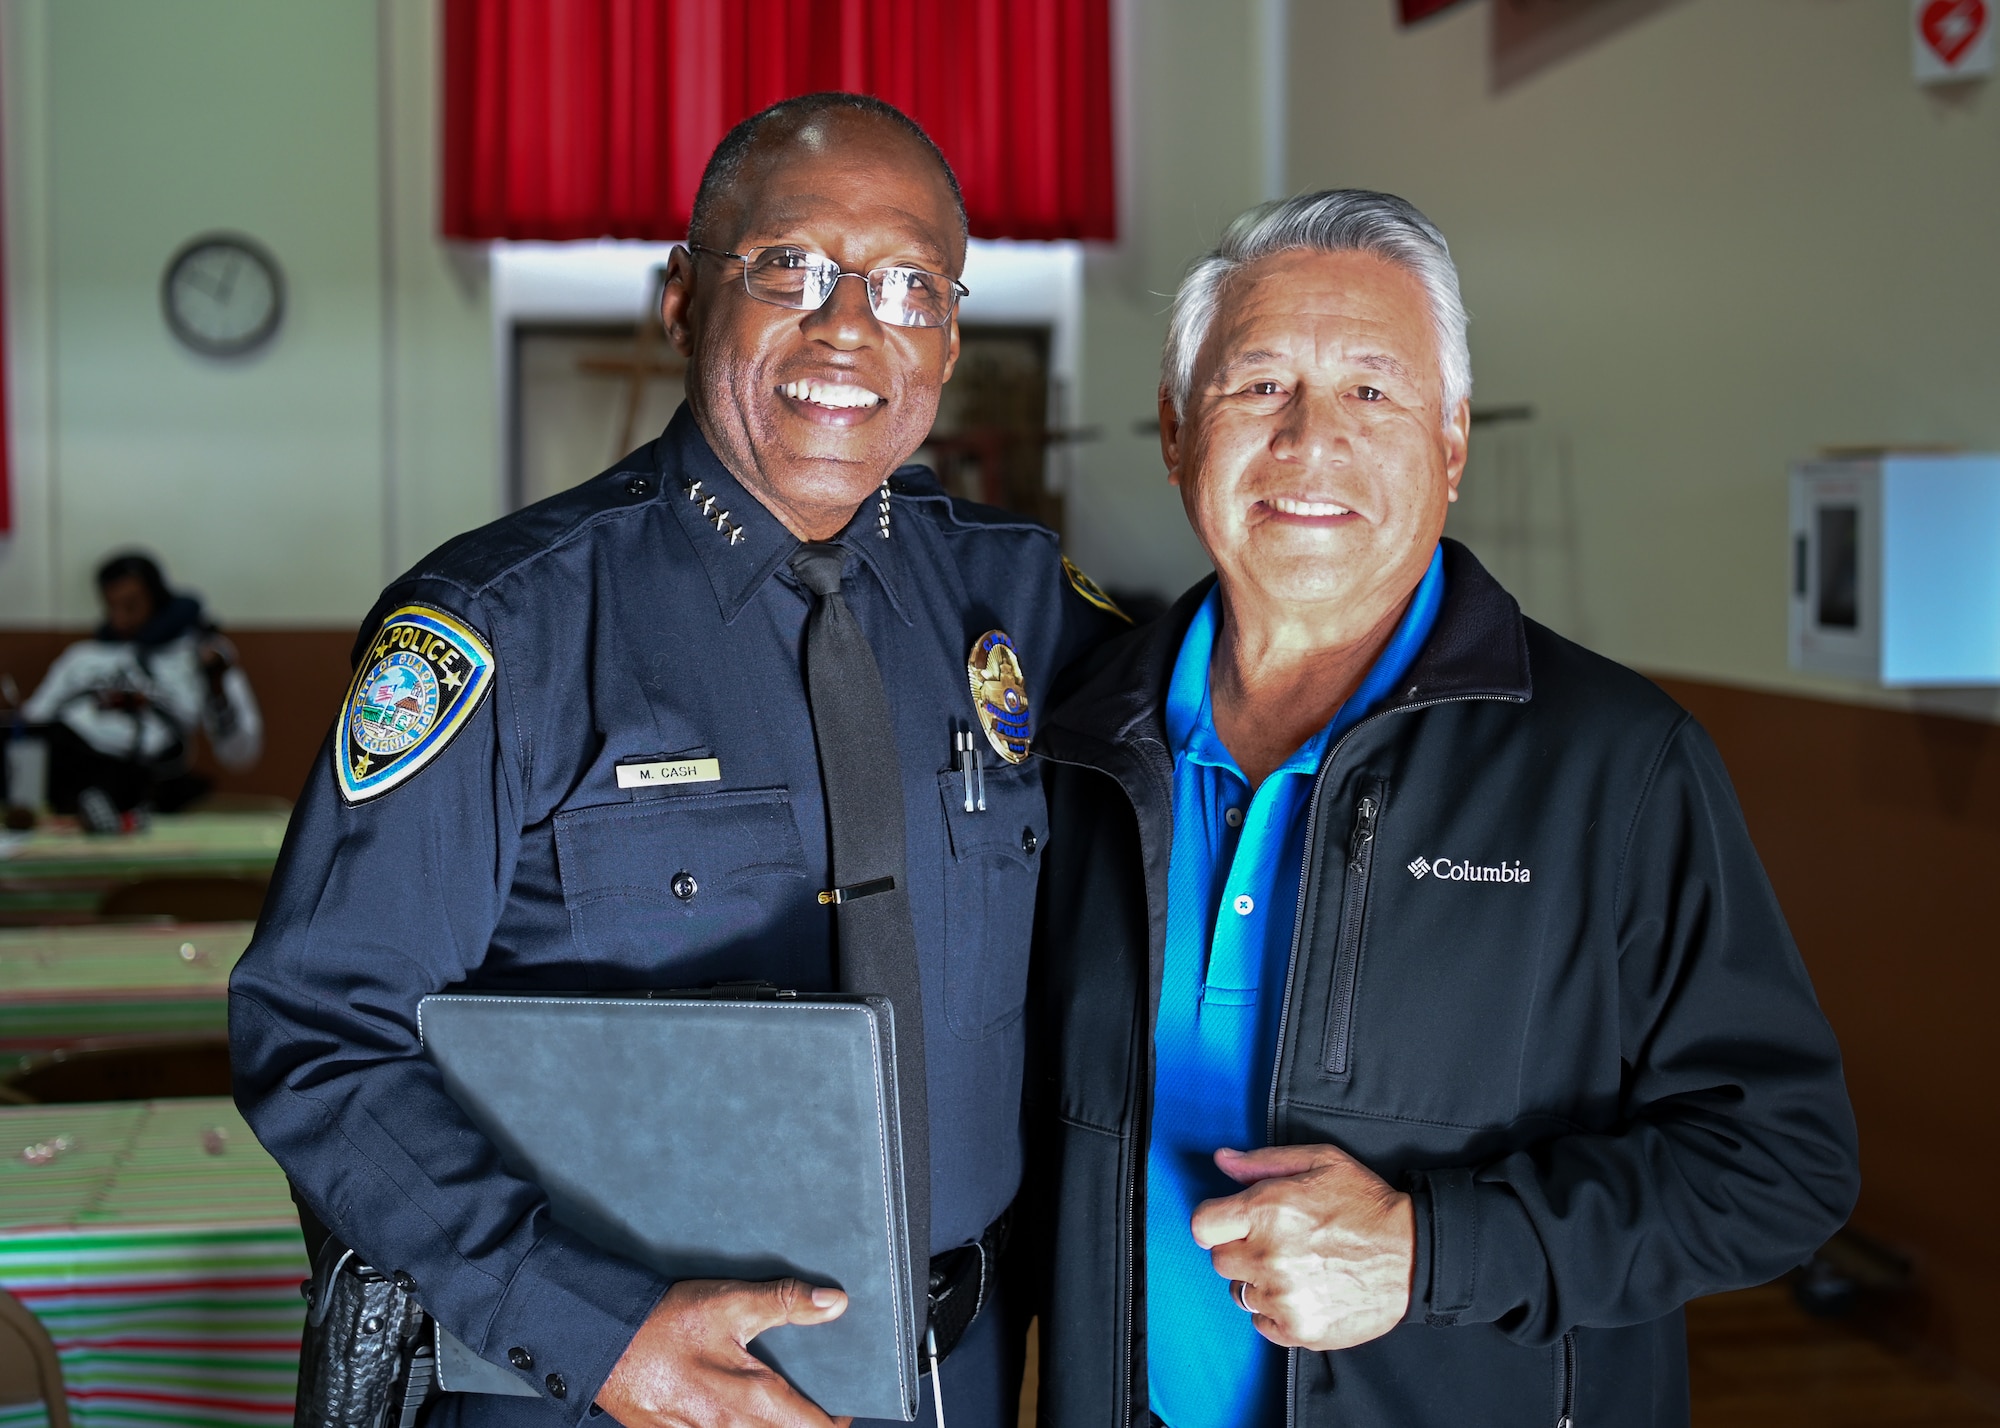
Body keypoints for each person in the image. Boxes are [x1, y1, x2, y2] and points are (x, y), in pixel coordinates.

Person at [229, 93, 1123, 1428]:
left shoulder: (1023, 603)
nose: (847, 326)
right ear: (679, 298)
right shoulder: (503, 629)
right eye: (790, 271)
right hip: (605, 1387)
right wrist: (590, 1333)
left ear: (947, 331)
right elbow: (315, 1031)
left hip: (963, 1370)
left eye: (907, 286)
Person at [1022, 191, 1860, 1427]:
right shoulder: (1078, 745)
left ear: (1453, 445)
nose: (1311, 442)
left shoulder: (1612, 765)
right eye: (1258, 387)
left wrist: (1430, 1251)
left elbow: (1780, 1164)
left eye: (1372, 391)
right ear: (1173, 430)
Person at [13, 551, 261, 814]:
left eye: (131, 606)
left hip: (150, 771)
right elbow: (32, 725)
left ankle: (109, 802)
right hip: (73, 762)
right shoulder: (83, 657)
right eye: (112, 607)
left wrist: (217, 689)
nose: (120, 620)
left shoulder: (200, 655)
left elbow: (241, 754)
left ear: (157, 598)